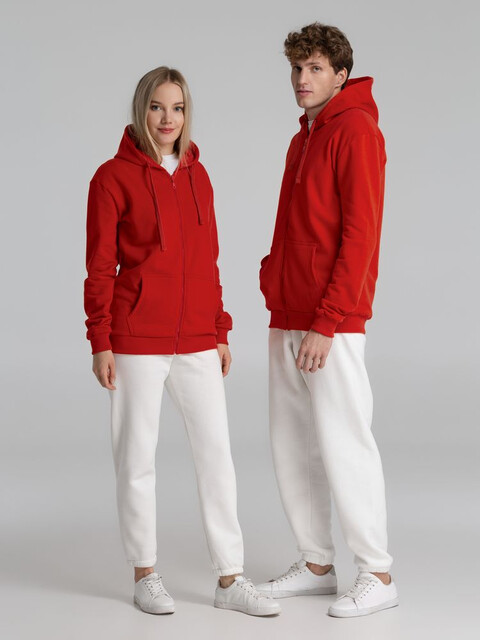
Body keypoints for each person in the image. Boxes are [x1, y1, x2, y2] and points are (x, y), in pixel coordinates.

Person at [83, 66, 280, 618]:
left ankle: (230, 577)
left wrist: (218, 328)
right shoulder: (111, 178)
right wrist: (100, 339)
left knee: (217, 456)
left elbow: (208, 260)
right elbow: (99, 266)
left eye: (178, 108)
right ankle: (145, 573)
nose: (168, 119)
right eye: (157, 107)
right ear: (141, 110)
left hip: (196, 338)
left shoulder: (199, 176)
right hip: (135, 338)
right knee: (136, 458)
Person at [255, 23, 399, 618]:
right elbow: (292, 222)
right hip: (289, 308)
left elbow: (362, 235)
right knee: (294, 441)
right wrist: (272, 277)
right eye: (296, 68)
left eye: (314, 68)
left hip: (328, 319)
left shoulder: (356, 130)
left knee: (344, 439)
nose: (301, 78)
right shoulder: (305, 136)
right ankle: (316, 563)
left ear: (341, 74)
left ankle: (378, 572)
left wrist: (329, 319)